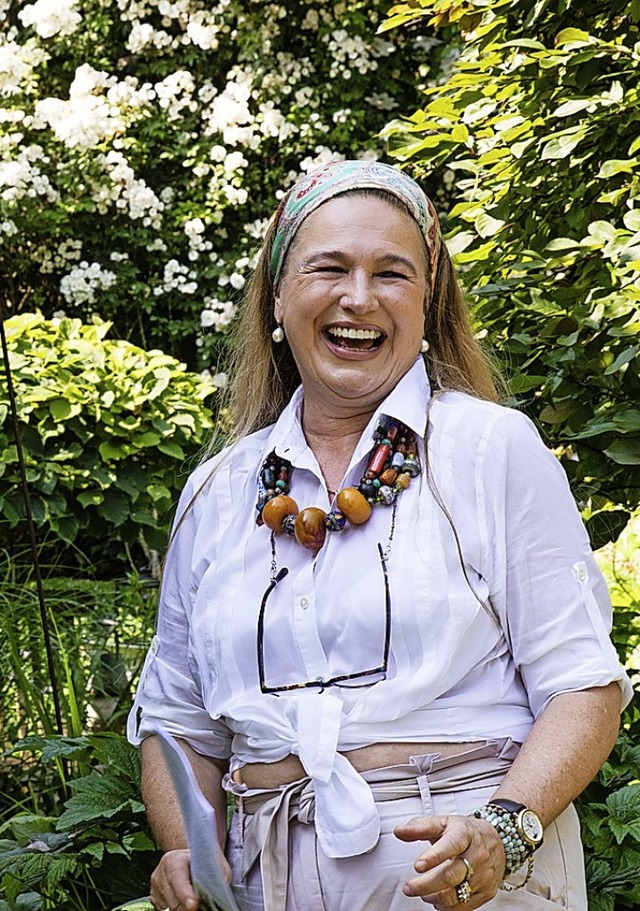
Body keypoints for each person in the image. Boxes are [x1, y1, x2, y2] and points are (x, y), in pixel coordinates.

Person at [128, 159, 632, 911]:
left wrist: (501, 830)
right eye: (328, 267)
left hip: (462, 879)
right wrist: (182, 849)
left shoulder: (492, 450)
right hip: (265, 884)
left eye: (391, 273)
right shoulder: (217, 492)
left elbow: (583, 683)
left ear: (428, 303)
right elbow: (177, 722)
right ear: (277, 295)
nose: (357, 297)